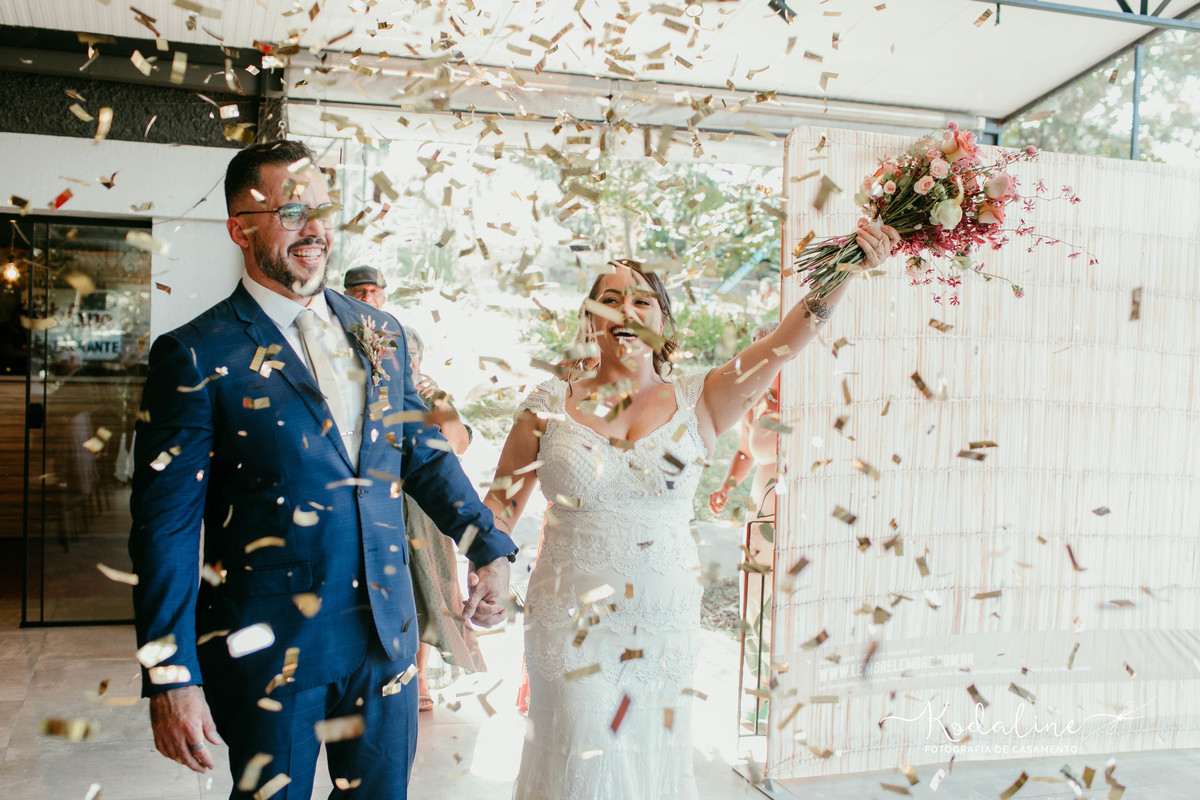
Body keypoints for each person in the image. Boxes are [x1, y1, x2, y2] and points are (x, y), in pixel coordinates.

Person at [128, 140, 517, 800]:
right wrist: (171, 676)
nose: (314, 228)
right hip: (267, 651)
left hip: (385, 640)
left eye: (323, 208)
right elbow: (164, 531)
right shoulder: (195, 355)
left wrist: (487, 545)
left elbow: (422, 454)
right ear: (240, 228)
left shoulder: (380, 332)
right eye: (291, 210)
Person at [484, 222, 898, 800]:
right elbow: (501, 503)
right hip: (567, 621)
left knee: (647, 756)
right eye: (610, 299)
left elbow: (788, 339)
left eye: (642, 299)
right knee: (577, 753)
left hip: (662, 624)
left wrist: (845, 270)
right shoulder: (548, 405)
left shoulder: (702, 397)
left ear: (663, 321)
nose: (626, 309)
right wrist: (490, 565)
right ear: (590, 321)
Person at [400, 324, 484, 712]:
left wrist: (439, 402)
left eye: (412, 354)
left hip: (424, 508)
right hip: (381, 503)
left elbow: (456, 444)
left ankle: (419, 676)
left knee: (429, 584)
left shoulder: (432, 398)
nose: (407, 361)